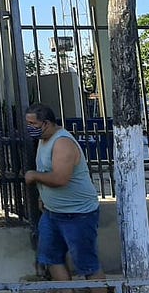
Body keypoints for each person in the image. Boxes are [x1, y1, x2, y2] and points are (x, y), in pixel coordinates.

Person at [23, 103, 104, 284]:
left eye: (33, 124)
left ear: (46, 123)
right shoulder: (44, 140)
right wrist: (42, 197)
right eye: (28, 124)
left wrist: (33, 175)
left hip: (78, 214)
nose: (30, 128)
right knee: (51, 258)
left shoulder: (62, 143)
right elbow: (47, 170)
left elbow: (60, 179)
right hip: (52, 213)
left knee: (87, 264)